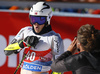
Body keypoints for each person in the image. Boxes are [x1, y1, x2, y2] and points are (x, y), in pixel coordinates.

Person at [4, 2, 64, 74]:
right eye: (33, 19)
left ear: (48, 19)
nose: (36, 24)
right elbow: (7, 51)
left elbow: (59, 67)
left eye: (40, 20)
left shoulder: (54, 38)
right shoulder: (25, 31)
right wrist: (22, 43)